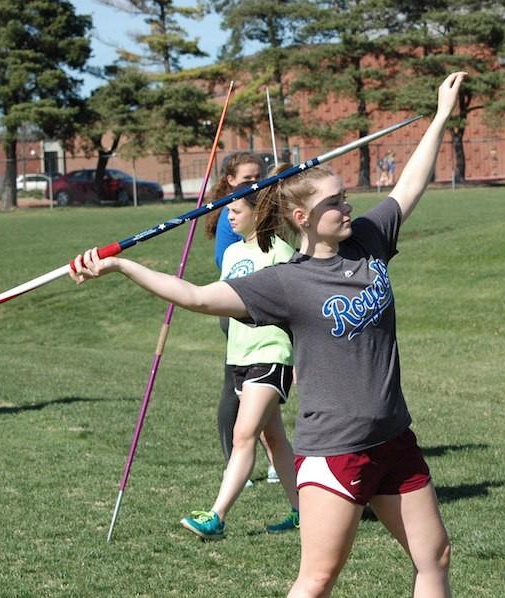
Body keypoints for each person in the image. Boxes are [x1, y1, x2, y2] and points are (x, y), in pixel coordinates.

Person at [70, 71, 466, 597]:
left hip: (394, 435)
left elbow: (410, 184)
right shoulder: (285, 282)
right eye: (335, 202)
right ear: (302, 216)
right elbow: (195, 297)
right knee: (318, 578)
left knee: (433, 556)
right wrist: (123, 268)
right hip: (336, 449)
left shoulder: (369, 240)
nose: (347, 207)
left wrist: (439, 116)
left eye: (346, 197)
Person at [180, 185, 300, 539]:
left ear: (258, 212)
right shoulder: (232, 253)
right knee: (272, 438)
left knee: (243, 434)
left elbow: (296, 307)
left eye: (235, 210)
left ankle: (216, 517)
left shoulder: (282, 252)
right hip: (240, 355)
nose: (228, 216)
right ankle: (303, 512)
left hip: (271, 353)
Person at [204, 153, 280, 486]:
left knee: (265, 395)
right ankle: (235, 461)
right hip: (240, 312)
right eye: (247, 178)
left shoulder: (264, 211)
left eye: (259, 176)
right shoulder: (233, 215)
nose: (254, 183)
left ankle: (278, 462)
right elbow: (230, 265)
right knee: (241, 391)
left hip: (268, 318)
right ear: (231, 181)